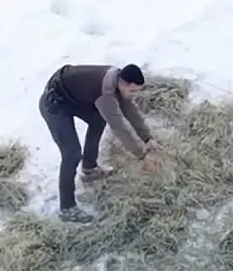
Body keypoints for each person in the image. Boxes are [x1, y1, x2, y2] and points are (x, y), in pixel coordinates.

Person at [39, 63, 159, 223]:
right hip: (54, 104)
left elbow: (129, 108)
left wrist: (147, 138)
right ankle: (67, 209)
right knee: (72, 154)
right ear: (123, 83)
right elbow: (119, 127)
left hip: (73, 97)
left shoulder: (118, 80)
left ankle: (90, 169)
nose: (133, 95)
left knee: (98, 118)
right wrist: (142, 156)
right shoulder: (106, 95)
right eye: (132, 91)